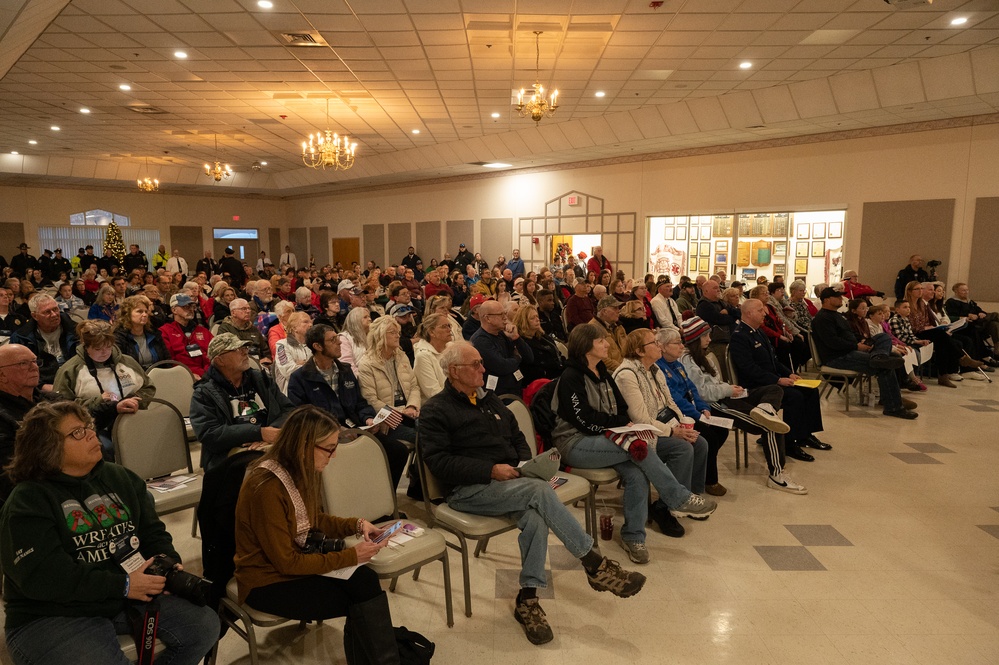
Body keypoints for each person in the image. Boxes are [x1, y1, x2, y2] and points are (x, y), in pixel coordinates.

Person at [421, 340, 646, 645]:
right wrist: (489, 471)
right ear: (454, 371)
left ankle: (527, 599)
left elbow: (518, 437)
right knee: (540, 493)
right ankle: (593, 563)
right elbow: (438, 462)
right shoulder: (436, 409)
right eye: (475, 364)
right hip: (466, 490)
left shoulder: (489, 400)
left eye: (480, 362)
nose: (483, 368)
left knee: (535, 517)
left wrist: (525, 464)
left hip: (508, 484)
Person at [0, 400, 220, 665]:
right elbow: (44, 577)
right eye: (77, 433)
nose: (92, 434)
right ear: (47, 447)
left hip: (122, 595)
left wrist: (166, 565)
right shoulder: (28, 500)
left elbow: (152, 533)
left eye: (89, 426)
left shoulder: (120, 478)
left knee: (204, 626)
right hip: (51, 612)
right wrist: (124, 585)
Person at [233, 405, 401, 664]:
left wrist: (357, 525)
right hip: (266, 580)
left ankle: (384, 658)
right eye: (330, 448)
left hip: (295, 561)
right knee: (360, 600)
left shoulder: (301, 470)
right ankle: (386, 658)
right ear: (303, 445)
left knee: (365, 582)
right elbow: (285, 562)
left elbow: (312, 519)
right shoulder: (265, 487)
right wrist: (350, 556)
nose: (333, 456)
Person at [611, 329, 713, 538]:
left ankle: (690, 497)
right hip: (640, 433)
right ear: (640, 351)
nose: (658, 346)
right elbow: (640, 419)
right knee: (682, 449)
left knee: (700, 442)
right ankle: (666, 508)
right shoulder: (626, 375)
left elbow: (670, 402)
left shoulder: (655, 369)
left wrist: (681, 425)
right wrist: (673, 432)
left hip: (662, 424)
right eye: (653, 343)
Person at [729, 298, 824, 474]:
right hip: (756, 387)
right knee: (794, 397)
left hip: (770, 380)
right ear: (749, 313)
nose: (764, 313)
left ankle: (805, 435)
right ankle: (789, 443)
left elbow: (774, 361)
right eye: (760, 310)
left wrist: (788, 373)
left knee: (810, 390)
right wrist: (777, 380)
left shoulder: (758, 332)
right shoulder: (740, 336)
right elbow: (748, 369)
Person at [190, 333, 292, 470]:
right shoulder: (204, 393)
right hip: (230, 458)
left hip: (268, 446)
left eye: (245, 348)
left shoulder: (260, 379)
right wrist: (257, 432)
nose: (245, 352)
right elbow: (209, 434)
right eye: (238, 350)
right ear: (220, 361)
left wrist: (269, 433)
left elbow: (289, 410)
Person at [53, 320, 155, 456]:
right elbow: (61, 408)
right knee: (106, 449)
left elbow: (148, 387)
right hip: (91, 426)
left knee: (155, 442)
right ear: (86, 346)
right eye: (98, 349)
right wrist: (97, 401)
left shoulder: (127, 361)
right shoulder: (70, 370)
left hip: (132, 419)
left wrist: (135, 400)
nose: (104, 352)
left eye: (108, 347)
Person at [811, 288, 916, 419]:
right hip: (838, 357)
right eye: (837, 297)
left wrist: (863, 340)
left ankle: (879, 357)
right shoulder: (822, 319)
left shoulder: (837, 316)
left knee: (884, 337)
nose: (840, 299)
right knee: (886, 365)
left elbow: (850, 334)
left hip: (850, 350)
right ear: (826, 300)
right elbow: (833, 342)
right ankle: (893, 406)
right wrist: (856, 346)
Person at [0, 344, 60, 502]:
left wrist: (113, 406)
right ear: (1, 375)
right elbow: (10, 469)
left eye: (35, 361)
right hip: (29, 492)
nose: (34, 367)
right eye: (23, 363)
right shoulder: (3, 415)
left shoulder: (53, 400)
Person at [11, 295, 78, 388]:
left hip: (76, 379)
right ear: (34, 316)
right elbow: (19, 372)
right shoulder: (22, 338)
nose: (54, 314)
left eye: (55, 309)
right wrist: (41, 386)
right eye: (47, 312)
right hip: (44, 385)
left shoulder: (76, 330)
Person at [471, 299, 534, 397]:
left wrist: (516, 338)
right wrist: (517, 357)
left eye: (505, 313)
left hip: (516, 388)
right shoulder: (480, 340)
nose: (505, 318)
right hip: (499, 395)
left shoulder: (502, 333)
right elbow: (503, 366)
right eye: (501, 314)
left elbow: (530, 358)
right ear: (488, 318)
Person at [159, 293, 212, 378]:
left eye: (192, 306)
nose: (190, 309)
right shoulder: (165, 331)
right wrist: (187, 375)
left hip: (206, 374)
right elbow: (169, 361)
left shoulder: (203, 331)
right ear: (174, 310)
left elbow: (213, 355)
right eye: (185, 307)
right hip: (179, 376)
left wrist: (207, 373)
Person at [113, 296, 169, 369]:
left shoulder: (154, 333)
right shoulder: (119, 336)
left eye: (146, 311)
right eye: (139, 311)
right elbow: (119, 365)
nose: (145, 314)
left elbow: (167, 359)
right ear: (127, 314)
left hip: (158, 375)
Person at [512, 304, 563, 384]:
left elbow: (557, 354)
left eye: (537, 316)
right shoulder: (521, 343)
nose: (537, 320)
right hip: (540, 381)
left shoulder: (543, 337)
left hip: (557, 373)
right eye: (532, 318)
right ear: (524, 321)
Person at [216, 297, 270, 363]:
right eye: (243, 309)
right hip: (238, 365)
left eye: (248, 308)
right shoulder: (225, 329)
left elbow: (265, 350)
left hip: (259, 363)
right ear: (233, 313)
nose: (248, 311)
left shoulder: (253, 328)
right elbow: (225, 354)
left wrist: (267, 359)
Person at [413, 312, 451, 401]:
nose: (449, 330)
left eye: (449, 326)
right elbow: (433, 393)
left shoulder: (450, 348)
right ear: (431, 332)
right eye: (444, 326)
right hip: (436, 408)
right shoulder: (423, 356)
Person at [273, 311, 313, 394]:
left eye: (311, 322)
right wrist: (311, 365)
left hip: (312, 390)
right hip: (291, 393)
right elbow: (289, 371)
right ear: (294, 328)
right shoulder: (282, 345)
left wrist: (302, 364)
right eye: (306, 322)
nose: (310, 325)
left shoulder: (314, 345)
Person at [589, 296, 627, 372]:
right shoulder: (592, 330)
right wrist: (623, 369)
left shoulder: (619, 327)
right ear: (604, 311)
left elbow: (628, 347)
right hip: (612, 372)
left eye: (618, 308)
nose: (618, 311)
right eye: (615, 308)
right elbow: (601, 359)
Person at [338, 306, 371, 374]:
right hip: (356, 378)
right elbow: (346, 364)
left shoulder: (371, 335)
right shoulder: (344, 338)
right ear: (355, 320)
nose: (370, 319)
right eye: (365, 317)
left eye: (369, 316)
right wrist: (363, 378)